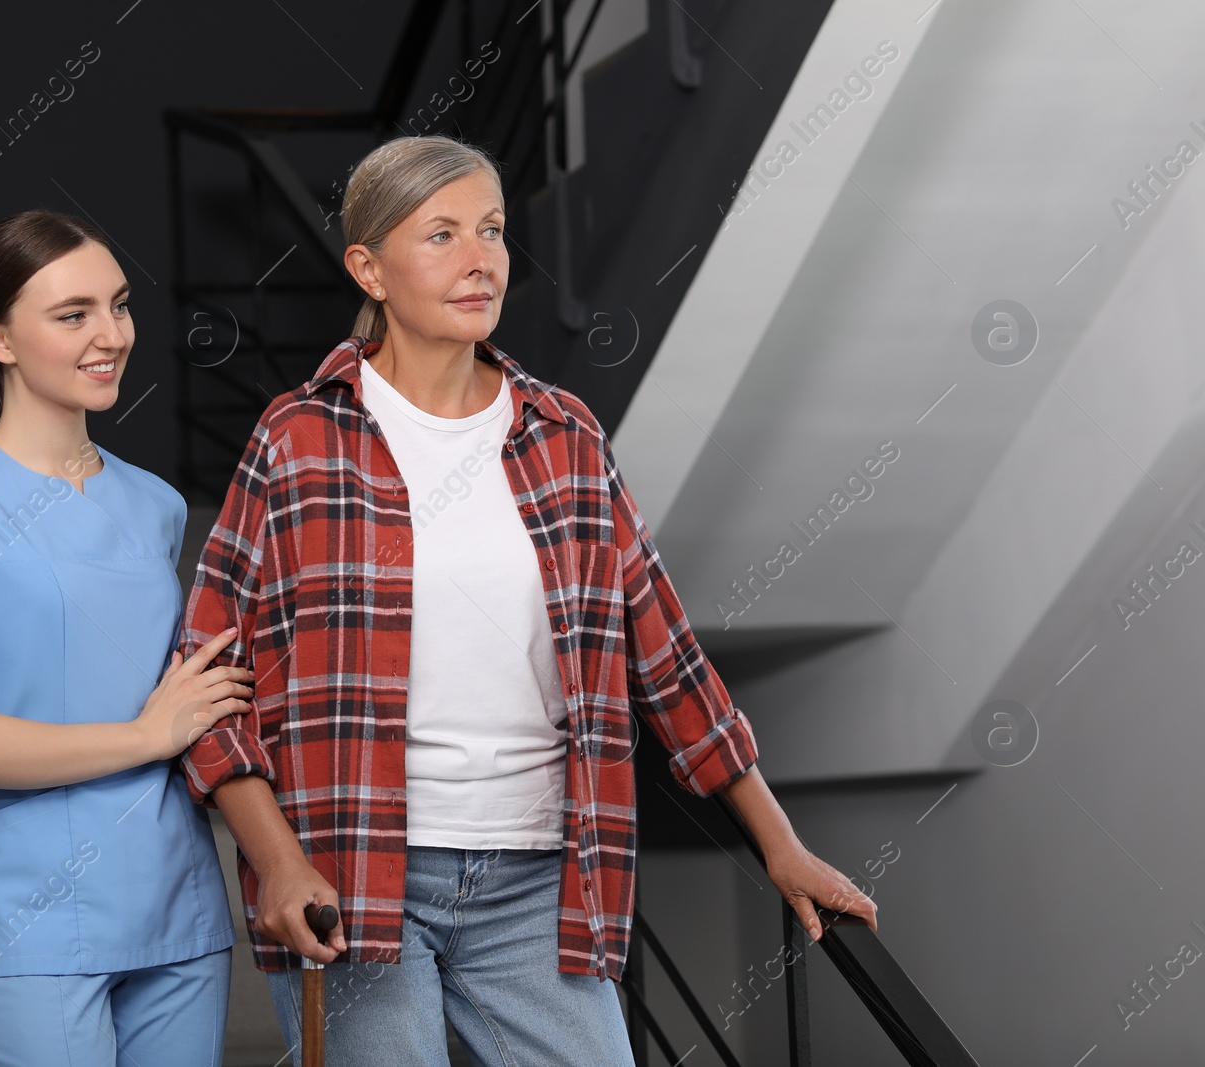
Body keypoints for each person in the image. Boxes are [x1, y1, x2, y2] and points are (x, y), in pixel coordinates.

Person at [176, 135, 878, 1065]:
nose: (481, 260)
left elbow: (666, 657)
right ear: (368, 268)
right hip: (353, 873)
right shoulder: (299, 436)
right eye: (442, 235)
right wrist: (275, 858)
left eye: (494, 231)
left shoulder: (565, 434)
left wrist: (778, 841)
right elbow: (209, 676)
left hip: (540, 882)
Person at [0, 209, 253, 1067]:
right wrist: (144, 735)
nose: (111, 335)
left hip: (177, 911)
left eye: (119, 306)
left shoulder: (156, 504)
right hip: (26, 920)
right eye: (73, 313)